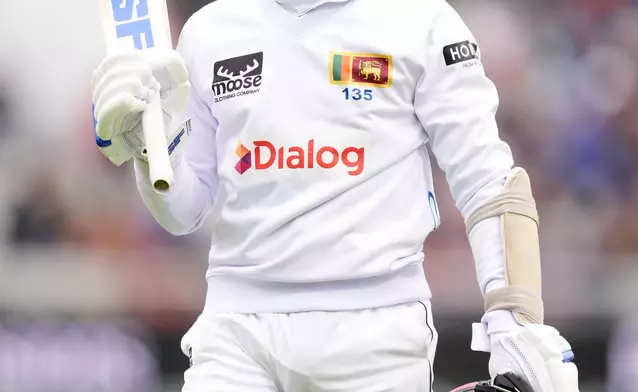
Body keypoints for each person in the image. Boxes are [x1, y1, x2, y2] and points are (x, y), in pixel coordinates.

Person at [91, 0, 579, 390]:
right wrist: (147, 146)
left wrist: (515, 319)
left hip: (375, 329)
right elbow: (183, 210)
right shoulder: (208, 30)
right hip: (237, 325)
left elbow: (489, 185)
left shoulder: (423, 22)